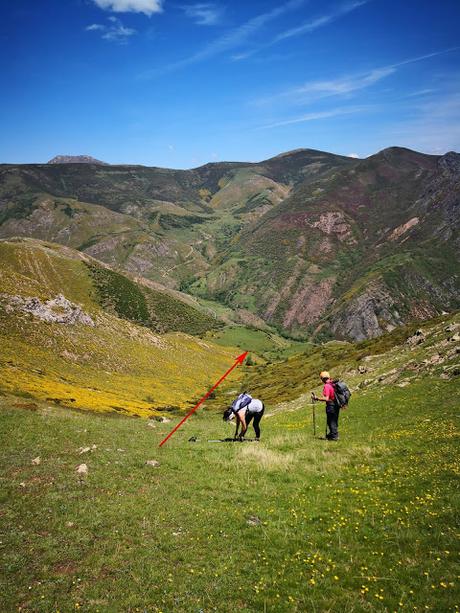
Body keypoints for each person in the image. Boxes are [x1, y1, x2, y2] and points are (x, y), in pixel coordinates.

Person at [312, 371, 340, 441]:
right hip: (336, 404)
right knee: (334, 420)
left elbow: (326, 398)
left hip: (331, 405)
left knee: (331, 421)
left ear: (322, 378)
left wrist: (317, 398)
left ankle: (334, 437)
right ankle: (333, 434)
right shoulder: (333, 384)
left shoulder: (327, 386)